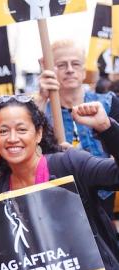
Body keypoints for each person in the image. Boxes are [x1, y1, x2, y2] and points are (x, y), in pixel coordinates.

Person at [0, 95, 119, 270]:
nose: (12, 138)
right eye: (3, 131)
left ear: (38, 133)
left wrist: (107, 128)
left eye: (22, 129)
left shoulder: (69, 164)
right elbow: (1, 254)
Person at [37, 39, 119, 216]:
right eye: (61, 64)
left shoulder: (107, 103)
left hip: (104, 204)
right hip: (59, 206)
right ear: (50, 71)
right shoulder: (40, 110)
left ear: (83, 71)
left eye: (75, 63)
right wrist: (41, 99)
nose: (69, 69)